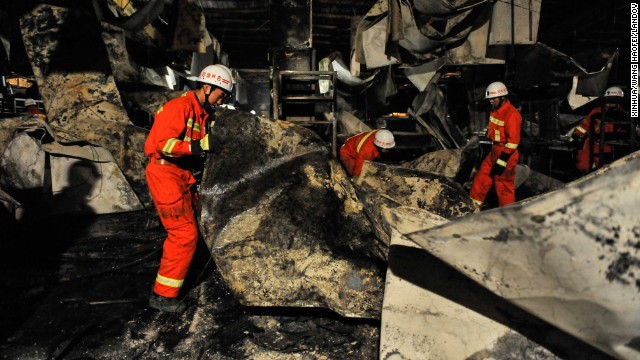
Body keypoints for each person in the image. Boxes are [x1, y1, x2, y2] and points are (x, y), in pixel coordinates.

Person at [144, 64, 233, 313]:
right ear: (206, 87)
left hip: (181, 174)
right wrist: (197, 146)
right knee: (184, 234)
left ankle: (184, 273)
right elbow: (162, 143)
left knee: (194, 226)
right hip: (166, 173)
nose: (221, 99)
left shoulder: (201, 112)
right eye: (220, 94)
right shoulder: (180, 107)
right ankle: (162, 296)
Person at [469, 81, 522, 210]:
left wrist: (502, 160)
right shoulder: (496, 110)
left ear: (502, 97)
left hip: (506, 154)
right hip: (495, 150)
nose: (491, 101)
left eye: (493, 98)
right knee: (481, 179)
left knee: (503, 186)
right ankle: (472, 207)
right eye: (490, 99)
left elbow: (513, 142)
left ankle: (507, 214)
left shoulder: (512, 114)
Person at [569, 86, 630, 174]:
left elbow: (625, 133)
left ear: (619, 101)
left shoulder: (623, 116)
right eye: (608, 100)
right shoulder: (597, 111)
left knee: (604, 170)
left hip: (608, 146)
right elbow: (585, 125)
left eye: (613, 100)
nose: (610, 103)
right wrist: (576, 136)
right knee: (583, 166)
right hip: (591, 143)